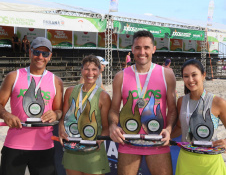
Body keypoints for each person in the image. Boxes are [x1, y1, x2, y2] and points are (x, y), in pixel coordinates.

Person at [108, 30, 177, 175]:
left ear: (153, 49)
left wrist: (169, 129)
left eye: (146, 47)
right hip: (129, 140)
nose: (142, 52)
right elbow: (114, 110)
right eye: (138, 47)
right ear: (132, 49)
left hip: (157, 140)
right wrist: (113, 126)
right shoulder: (121, 76)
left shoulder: (167, 74)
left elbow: (172, 109)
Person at [0, 37, 63, 175]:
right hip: (14, 145)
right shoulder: (13, 76)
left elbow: (59, 110)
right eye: (36, 52)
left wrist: (55, 114)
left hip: (44, 146)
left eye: (45, 54)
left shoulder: (56, 81)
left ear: (50, 56)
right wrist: (5, 114)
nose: (40, 57)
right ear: (30, 52)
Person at [171, 59, 226, 175]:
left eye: (194, 75)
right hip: (186, 159)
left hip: (210, 162)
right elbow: (180, 127)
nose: (190, 80)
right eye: (186, 76)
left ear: (203, 75)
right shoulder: (181, 101)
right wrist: (166, 136)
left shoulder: (218, 102)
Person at [59, 55, 111, 175]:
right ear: (81, 70)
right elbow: (63, 118)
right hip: (72, 148)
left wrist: (100, 140)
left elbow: (106, 126)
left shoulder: (104, 96)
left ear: (99, 71)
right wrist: (61, 129)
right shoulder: (70, 91)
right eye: (87, 69)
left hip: (92, 150)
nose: (90, 73)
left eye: (94, 69)